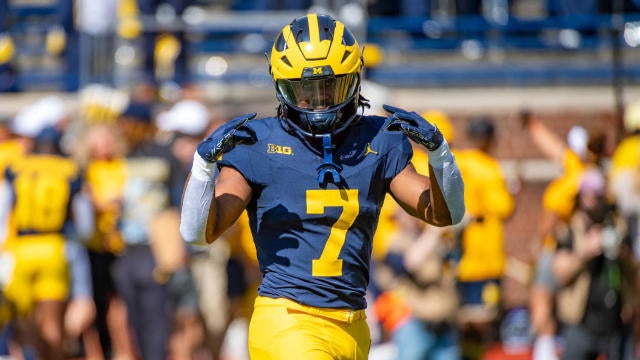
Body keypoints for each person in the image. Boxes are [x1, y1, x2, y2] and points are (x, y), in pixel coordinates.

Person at [180, 13, 465, 360]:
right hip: (288, 321)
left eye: (328, 87)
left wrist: (439, 155)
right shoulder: (259, 143)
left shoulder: (378, 139)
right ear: (282, 87)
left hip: (354, 324)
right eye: (304, 90)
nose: (318, 103)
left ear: (353, 80)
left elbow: (445, 213)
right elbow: (198, 232)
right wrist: (203, 168)